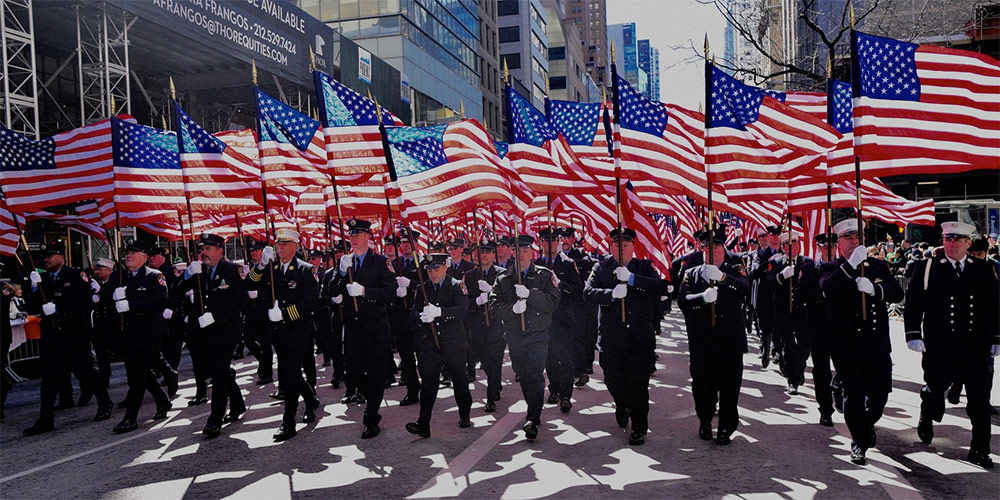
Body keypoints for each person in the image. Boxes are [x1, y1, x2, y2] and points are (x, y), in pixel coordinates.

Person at [904, 222, 998, 469]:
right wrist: (913, 333)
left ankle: (980, 448)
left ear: (969, 243)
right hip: (940, 345)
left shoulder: (983, 268)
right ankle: (928, 409)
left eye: (958, 239)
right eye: (948, 238)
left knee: (979, 400)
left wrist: (997, 337)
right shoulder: (928, 267)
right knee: (936, 389)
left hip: (975, 346)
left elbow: (994, 306)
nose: (952, 243)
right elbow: (913, 302)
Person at [819, 218, 904, 465]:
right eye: (848, 238)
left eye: (857, 237)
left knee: (879, 396)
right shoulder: (830, 268)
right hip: (846, 345)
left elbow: (897, 293)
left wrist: (876, 291)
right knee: (854, 395)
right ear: (838, 242)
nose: (854, 242)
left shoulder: (877, 266)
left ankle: (865, 427)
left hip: (876, 342)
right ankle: (859, 442)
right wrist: (851, 265)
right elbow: (830, 289)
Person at [585, 227, 672, 445]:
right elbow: (588, 293)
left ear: (633, 247)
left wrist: (632, 279)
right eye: (616, 244)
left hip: (638, 338)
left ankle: (639, 428)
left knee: (639, 385)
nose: (620, 248)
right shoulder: (601, 267)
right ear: (610, 246)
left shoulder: (644, 267)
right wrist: (611, 294)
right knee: (613, 379)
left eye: (625, 244)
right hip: (612, 338)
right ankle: (622, 404)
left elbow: (661, 287)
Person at [21, 241, 113, 436]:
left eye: (49, 256)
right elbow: (30, 306)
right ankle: (45, 419)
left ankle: (105, 402)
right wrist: (34, 288)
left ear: (61, 257)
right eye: (44, 257)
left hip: (73, 335)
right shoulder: (44, 279)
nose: (45, 260)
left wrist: (59, 308)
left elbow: (84, 301)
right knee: (48, 380)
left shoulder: (75, 275)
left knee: (86, 372)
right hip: (52, 337)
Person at [677, 226, 749, 446]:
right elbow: (683, 301)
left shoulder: (735, 265)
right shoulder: (691, 272)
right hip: (702, 339)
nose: (711, 249)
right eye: (706, 246)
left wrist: (724, 278)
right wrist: (701, 298)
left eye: (716, 245)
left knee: (729, 385)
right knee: (702, 385)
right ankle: (705, 420)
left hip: (730, 338)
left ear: (723, 247)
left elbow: (745, 288)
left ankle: (727, 425)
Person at [246, 229, 320, 441]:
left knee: (288, 374)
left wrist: (285, 314)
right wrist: (260, 265)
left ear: (295, 246)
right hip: (276, 330)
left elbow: (309, 303)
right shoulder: (272, 268)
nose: (280, 247)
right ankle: (310, 399)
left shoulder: (306, 270)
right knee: (291, 372)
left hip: (298, 329)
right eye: (278, 243)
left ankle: (288, 422)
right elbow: (251, 283)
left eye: (285, 244)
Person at [327, 219, 397, 439]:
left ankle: (371, 417)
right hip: (354, 329)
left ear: (368, 237)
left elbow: (391, 292)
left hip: (375, 328)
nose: (354, 239)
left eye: (358, 235)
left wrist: (365, 291)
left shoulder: (380, 262)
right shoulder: (346, 263)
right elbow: (331, 291)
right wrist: (340, 272)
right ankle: (369, 399)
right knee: (353, 374)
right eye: (351, 235)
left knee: (376, 375)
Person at [489, 234, 561, 440]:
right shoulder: (503, 279)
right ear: (512, 253)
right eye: (517, 250)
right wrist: (512, 308)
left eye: (525, 250)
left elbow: (553, 302)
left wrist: (531, 295)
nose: (521, 254)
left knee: (534, 374)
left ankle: (533, 418)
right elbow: (494, 306)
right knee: (521, 373)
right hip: (515, 335)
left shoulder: (545, 275)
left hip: (538, 335)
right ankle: (533, 408)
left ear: (532, 252)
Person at [179, 233, 248, 437]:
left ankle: (214, 420)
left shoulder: (233, 270)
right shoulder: (199, 272)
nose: (203, 253)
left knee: (218, 374)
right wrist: (186, 275)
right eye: (202, 249)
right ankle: (237, 404)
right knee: (219, 370)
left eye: (208, 249)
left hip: (227, 330)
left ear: (220, 251)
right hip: (206, 331)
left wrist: (215, 316)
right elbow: (176, 293)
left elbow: (240, 300)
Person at [404, 253, 472, 438]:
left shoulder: (457, 285)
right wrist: (421, 317)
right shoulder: (422, 288)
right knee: (428, 384)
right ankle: (423, 424)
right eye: (429, 270)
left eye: (436, 269)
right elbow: (414, 313)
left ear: (445, 267)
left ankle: (464, 414)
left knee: (460, 382)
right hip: (431, 345)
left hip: (454, 344)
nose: (433, 273)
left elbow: (462, 310)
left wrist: (440, 312)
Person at [110, 240, 172, 434]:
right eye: (127, 252)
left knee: (136, 376)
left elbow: (160, 300)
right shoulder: (119, 277)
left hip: (147, 333)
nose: (129, 255)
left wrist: (131, 305)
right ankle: (162, 400)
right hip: (127, 334)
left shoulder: (154, 276)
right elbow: (101, 297)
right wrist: (112, 295)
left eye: (134, 252)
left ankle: (130, 418)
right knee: (141, 372)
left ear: (144, 257)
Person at [767, 232, 821, 396]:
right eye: (788, 244)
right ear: (783, 247)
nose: (792, 247)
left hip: (801, 309)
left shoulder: (808, 263)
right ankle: (793, 380)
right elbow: (769, 282)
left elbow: (814, 286)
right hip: (783, 310)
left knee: (805, 343)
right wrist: (782, 275)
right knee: (789, 345)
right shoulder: (776, 262)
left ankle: (799, 366)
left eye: (795, 243)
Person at [534, 227, 582, 413]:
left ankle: (566, 396)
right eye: (545, 240)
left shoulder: (568, 264)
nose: (549, 243)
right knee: (549, 358)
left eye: (553, 240)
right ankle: (554, 389)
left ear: (558, 242)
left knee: (564, 357)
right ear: (540, 243)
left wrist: (560, 284)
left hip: (563, 318)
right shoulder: (536, 264)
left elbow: (578, 290)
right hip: (544, 319)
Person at [463, 241, 507, 412]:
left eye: (488, 252)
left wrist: (491, 292)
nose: (484, 255)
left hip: (496, 327)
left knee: (494, 362)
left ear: (494, 255)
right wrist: (477, 301)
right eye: (480, 252)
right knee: (486, 364)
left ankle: (491, 397)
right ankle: (495, 385)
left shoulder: (502, 274)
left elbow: (508, 299)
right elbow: (463, 302)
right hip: (477, 328)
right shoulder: (469, 275)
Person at [388, 229, 423, 406]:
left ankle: (427, 387)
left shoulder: (423, 263)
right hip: (401, 318)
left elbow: (430, 286)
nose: (406, 245)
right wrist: (395, 290)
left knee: (423, 356)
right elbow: (386, 285)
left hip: (418, 318)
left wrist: (412, 285)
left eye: (409, 242)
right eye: (403, 242)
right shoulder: (394, 264)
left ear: (416, 243)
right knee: (407, 358)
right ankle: (412, 390)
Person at [809, 233, 838, 426]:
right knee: (821, 371)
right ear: (819, 248)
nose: (829, 251)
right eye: (825, 247)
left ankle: (840, 390)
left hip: (842, 328)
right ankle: (825, 409)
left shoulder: (846, 267)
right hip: (818, 327)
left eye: (832, 247)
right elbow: (803, 296)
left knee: (845, 368)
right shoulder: (809, 269)